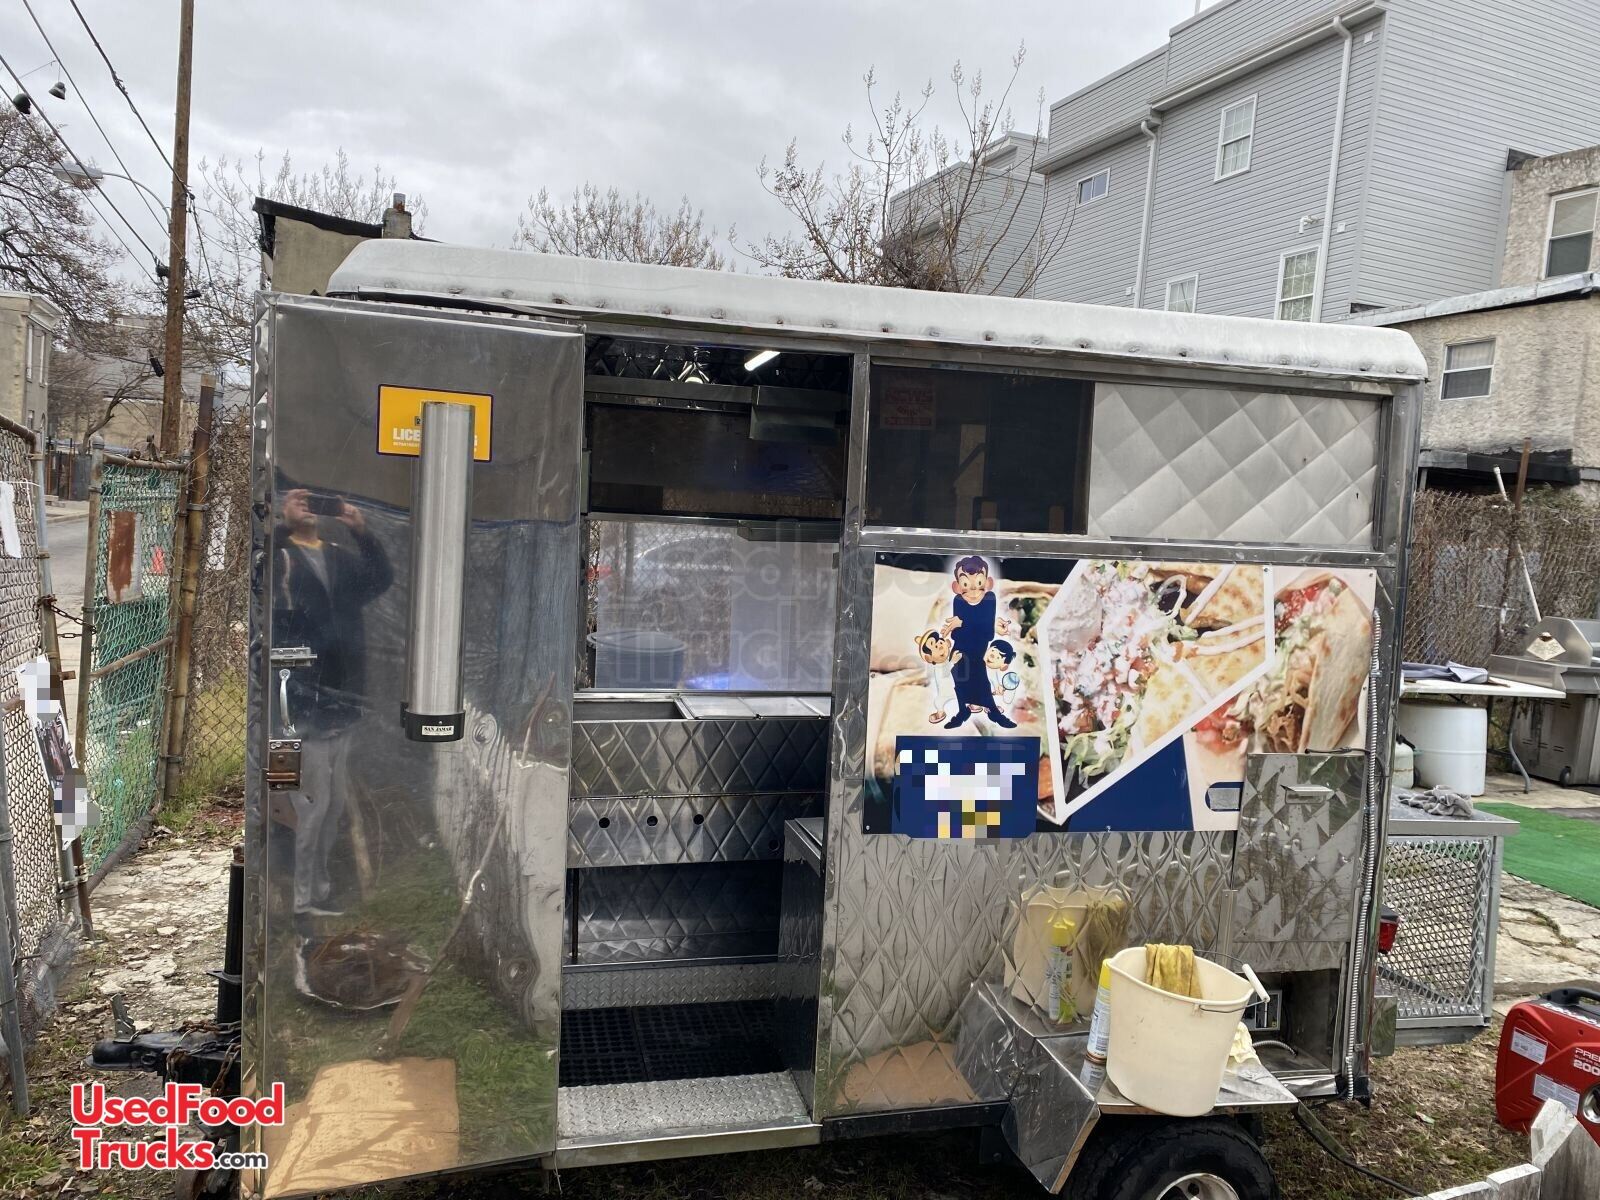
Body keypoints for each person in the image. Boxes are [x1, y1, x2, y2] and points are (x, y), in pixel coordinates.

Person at [272, 487, 392, 920]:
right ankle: (302, 898)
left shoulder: (339, 557)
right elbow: (257, 578)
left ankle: (316, 889)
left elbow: (381, 579)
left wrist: (361, 531)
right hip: (299, 703)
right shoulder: (281, 556)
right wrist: (282, 526)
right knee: (310, 805)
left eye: (313, 502)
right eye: (298, 500)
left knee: (333, 804)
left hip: (342, 701)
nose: (308, 507)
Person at [941, 556, 1016, 729]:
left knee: (982, 682)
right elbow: (957, 635)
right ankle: (963, 711)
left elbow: (987, 632)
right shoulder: (958, 600)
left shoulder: (989, 599)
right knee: (960, 681)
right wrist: (967, 626)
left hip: (978, 651)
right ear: (957, 587)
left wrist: (963, 623)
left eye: (979, 583)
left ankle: (993, 713)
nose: (974, 589)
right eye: (966, 584)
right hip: (960, 651)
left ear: (988, 583)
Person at [915, 628, 960, 724]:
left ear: (947, 644)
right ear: (929, 658)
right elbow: (946, 671)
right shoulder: (939, 667)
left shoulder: (947, 659)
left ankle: (973, 705)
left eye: (940, 642)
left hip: (955, 688)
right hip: (945, 692)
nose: (939, 646)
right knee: (938, 702)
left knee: (966, 694)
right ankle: (940, 713)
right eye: (935, 646)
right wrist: (953, 661)